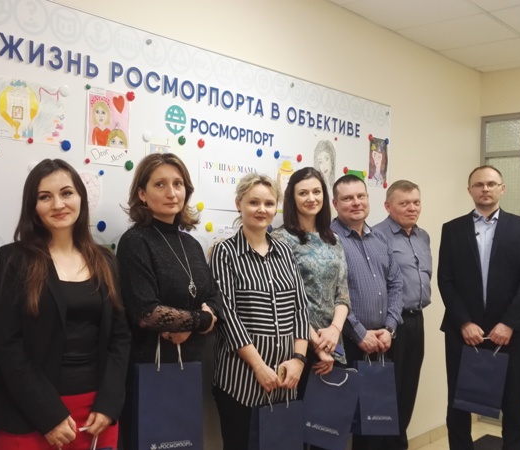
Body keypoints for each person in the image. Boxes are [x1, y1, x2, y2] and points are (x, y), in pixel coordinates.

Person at [0, 159, 130, 450]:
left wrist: (110, 403)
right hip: (29, 412)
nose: (58, 204)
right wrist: (48, 415)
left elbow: (120, 337)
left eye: (66, 193)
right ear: (33, 206)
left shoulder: (105, 260)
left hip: (96, 414)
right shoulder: (13, 259)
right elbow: (6, 345)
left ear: (80, 198)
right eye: (45, 197)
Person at [116, 152, 221, 450]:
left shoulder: (192, 244)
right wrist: (201, 320)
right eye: (160, 184)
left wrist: (194, 322)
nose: (172, 193)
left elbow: (214, 297)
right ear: (142, 193)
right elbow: (146, 312)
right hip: (149, 368)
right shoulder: (135, 241)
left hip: (190, 367)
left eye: (178, 184)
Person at [437, 165, 520, 450]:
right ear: (470, 190)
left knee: (514, 403)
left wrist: (509, 323)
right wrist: (464, 322)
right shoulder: (452, 229)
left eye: (491, 184)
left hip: (509, 332)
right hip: (462, 332)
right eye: (479, 184)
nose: (485, 189)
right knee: (459, 402)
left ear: (502, 189)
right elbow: (445, 280)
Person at [210, 173, 310, 449]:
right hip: (240, 380)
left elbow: (301, 308)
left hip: (285, 378)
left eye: (268, 203)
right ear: (239, 204)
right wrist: (259, 367)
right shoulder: (225, 252)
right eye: (253, 202)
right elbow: (227, 315)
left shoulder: (285, 252)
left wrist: (299, 360)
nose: (261, 209)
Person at [330, 174, 403, 450]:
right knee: (338, 424)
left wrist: (390, 328)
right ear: (335, 204)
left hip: (382, 342)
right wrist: (360, 333)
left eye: (360, 196)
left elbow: (396, 284)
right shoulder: (329, 240)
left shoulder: (380, 238)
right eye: (347, 198)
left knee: (376, 423)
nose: (356, 203)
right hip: (346, 344)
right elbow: (330, 295)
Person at [272, 167, 349, 393]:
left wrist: (334, 329)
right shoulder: (280, 239)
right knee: (296, 412)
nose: (311, 198)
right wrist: (317, 344)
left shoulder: (334, 239)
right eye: (303, 193)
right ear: (292, 198)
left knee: (330, 413)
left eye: (317, 191)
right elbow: (285, 301)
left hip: (333, 344)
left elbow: (343, 293)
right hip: (297, 346)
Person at [372, 180, 432, 450]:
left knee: (409, 388)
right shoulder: (376, 236)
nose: (412, 208)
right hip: (390, 323)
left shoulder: (423, 236)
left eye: (416, 202)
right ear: (388, 206)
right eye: (404, 203)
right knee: (387, 393)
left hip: (417, 320)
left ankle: (399, 444)